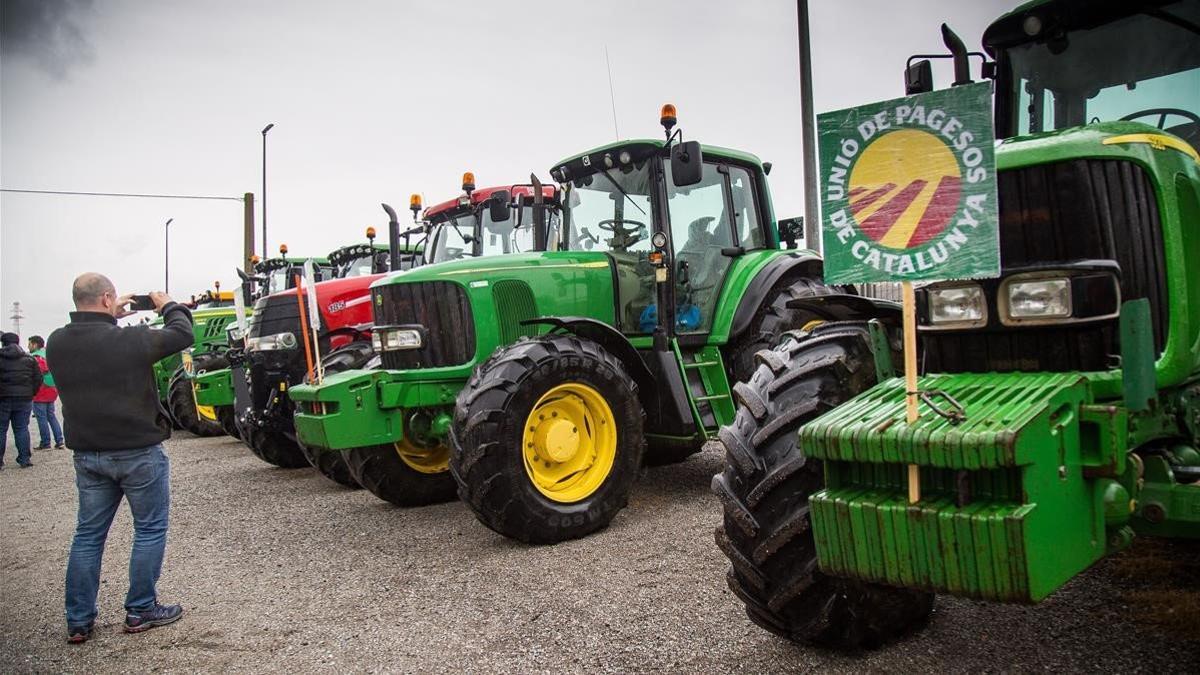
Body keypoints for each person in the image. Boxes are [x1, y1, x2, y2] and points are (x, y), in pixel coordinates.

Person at [47, 273, 193, 644]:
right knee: (148, 529)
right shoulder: (129, 339)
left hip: (89, 454)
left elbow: (94, 341)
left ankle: (78, 620)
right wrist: (167, 305)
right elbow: (182, 334)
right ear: (108, 297)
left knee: (88, 536)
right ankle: (140, 609)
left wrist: (110, 314)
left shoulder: (57, 342)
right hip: (137, 451)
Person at [0, 331, 41, 469]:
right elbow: (38, 379)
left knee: (1, 429)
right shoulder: (29, 359)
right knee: (22, 428)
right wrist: (30, 393)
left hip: (3, 398)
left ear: (3, 343)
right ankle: (24, 459)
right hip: (24, 398)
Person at [28, 335, 65, 450]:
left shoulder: (35, 357)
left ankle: (45, 442)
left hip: (41, 391)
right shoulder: (48, 354)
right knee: (51, 416)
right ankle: (59, 441)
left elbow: (37, 374)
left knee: (41, 417)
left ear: (34, 344)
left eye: (29, 344)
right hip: (52, 389)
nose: (28, 346)